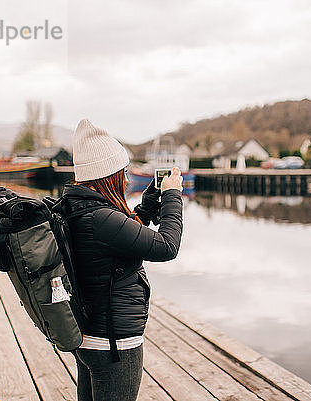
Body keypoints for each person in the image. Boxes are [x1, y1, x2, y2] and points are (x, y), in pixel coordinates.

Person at [62, 119, 183, 401]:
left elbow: (122, 234)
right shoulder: (101, 218)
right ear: (108, 175)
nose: (127, 179)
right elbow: (167, 246)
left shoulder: (79, 207)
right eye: (123, 172)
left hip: (90, 335)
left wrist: (149, 202)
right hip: (114, 344)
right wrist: (173, 196)